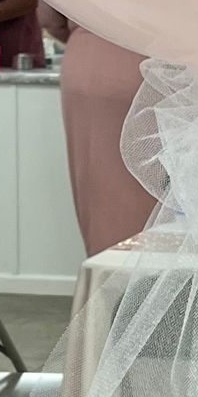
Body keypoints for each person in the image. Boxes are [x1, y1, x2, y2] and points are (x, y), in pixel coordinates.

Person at [52, 14, 152, 256]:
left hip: (89, 55)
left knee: (98, 192)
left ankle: (106, 279)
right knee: (151, 196)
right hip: (155, 58)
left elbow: (50, 12)